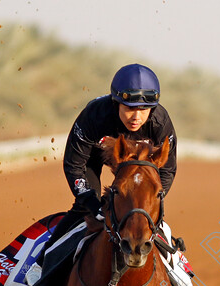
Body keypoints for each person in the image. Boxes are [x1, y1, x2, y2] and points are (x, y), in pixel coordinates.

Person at [46, 63, 177, 246]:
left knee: (145, 212)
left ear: (152, 109)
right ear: (116, 104)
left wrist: (151, 201)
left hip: (140, 164)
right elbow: (74, 166)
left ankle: (178, 269)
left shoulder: (160, 124)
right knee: (83, 210)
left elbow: (167, 170)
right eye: (130, 108)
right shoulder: (94, 116)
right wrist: (92, 204)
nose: (136, 117)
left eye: (143, 110)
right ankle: (41, 264)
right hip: (94, 156)